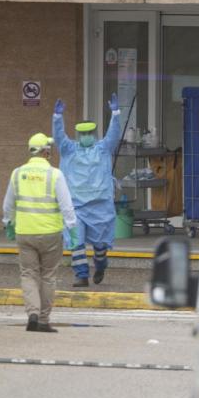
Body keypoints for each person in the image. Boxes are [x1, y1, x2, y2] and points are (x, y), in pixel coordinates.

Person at [2, 133, 79, 333]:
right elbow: (67, 206)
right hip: (50, 234)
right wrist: (73, 229)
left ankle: (32, 314)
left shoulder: (17, 173)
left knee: (28, 274)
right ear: (46, 151)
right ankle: (43, 320)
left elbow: (8, 204)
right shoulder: (55, 174)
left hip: (25, 233)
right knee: (48, 276)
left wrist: (7, 224)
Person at [52, 94, 122, 287]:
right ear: (78, 135)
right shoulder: (69, 149)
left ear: (94, 133)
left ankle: (100, 265)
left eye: (89, 133)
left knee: (100, 246)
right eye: (83, 134)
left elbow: (114, 134)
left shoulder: (103, 149)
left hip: (101, 207)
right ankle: (81, 275)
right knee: (77, 242)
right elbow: (58, 137)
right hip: (77, 207)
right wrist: (57, 118)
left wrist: (116, 113)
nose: (86, 137)